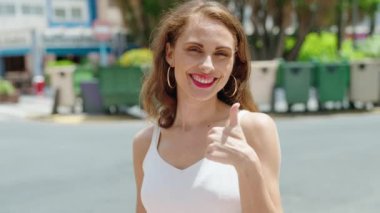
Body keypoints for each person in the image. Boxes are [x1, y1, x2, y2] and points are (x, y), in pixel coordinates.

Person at [133, 0, 282, 212]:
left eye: (221, 54)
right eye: (194, 49)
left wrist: (247, 163)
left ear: (233, 62)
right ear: (170, 53)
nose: (207, 66)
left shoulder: (254, 129)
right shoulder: (145, 143)